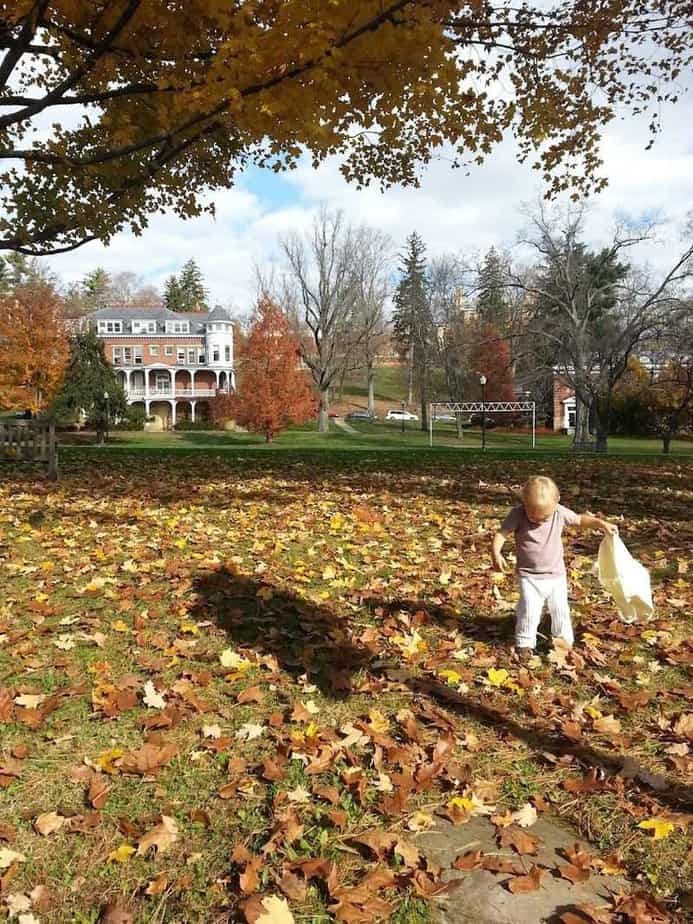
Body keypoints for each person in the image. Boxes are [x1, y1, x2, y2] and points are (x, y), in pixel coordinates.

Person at [492, 475, 617, 660]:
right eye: (532, 515)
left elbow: (580, 520)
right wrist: (496, 553)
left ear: (556, 502)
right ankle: (524, 643)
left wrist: (600, 523)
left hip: (556, 575)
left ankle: (563, 641)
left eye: (544, 517)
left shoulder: (559, 512)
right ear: (524, 503)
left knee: (560, 609)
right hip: (529, 576)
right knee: (530, 608)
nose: (538, 520)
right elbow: (501, 534)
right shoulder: (517, 514)